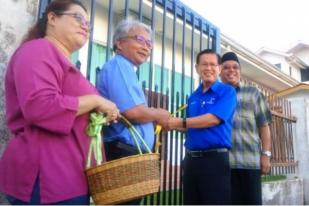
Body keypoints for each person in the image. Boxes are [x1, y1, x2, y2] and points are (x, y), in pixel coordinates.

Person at [0, 0, 120, 204]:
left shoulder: (61, 60)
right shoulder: (37, 50)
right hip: (47, 178)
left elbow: (72, 109)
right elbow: (40, 107)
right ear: (52, 18)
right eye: (78, 18)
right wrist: (94, 100)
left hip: (70, 177)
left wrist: (98, 113)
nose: (85, 26)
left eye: (88, 23)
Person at [97, 19, 170, 204]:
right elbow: (133, 113)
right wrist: (159, 114)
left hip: (130, 153)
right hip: (122, 152)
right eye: (139, 39)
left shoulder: (127, 69)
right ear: (120, 43)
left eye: (149, 43)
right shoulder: (119, 66)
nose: (146, 47)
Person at [167, 49, 237, 205]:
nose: (208, 68)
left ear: (219, 68)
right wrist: (170, 124)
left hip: (215, 160)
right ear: (197, 68)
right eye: (204, 64)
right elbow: (190, 126)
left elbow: (213, 119)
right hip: (191, 160)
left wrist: (179, 122)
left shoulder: (227, 92)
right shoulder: (193, 96)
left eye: (213, 64)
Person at [220, 51, 272, 205]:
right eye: (226, 67)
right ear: (220, 71)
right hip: (222, 165)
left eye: (235, 67)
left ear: (240, 71)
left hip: (249, 163)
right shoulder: (216, 96)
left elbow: (264, 127)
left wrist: (266, 155)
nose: (231, 70)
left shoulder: (253, 93)